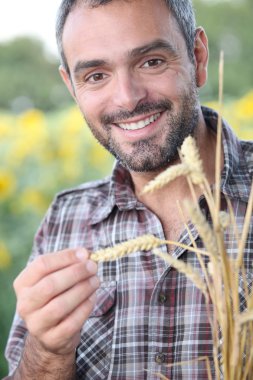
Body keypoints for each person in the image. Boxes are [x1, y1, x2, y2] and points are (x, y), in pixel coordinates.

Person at [4, 0, 253, 379]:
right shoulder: (64, 220)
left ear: (198, 58)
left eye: (150, 61)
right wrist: (48, 351)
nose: (127, 97)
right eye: (96, 76)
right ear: (71, 87)